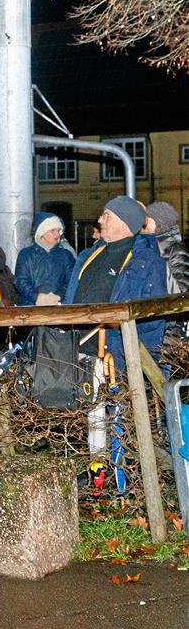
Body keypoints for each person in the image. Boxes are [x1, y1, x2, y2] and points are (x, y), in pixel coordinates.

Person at [63, 196, 167, 459]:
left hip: (116, 353)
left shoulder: (146, 261)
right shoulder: (89, 254)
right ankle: (92, 467)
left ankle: (117, 473)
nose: (100, 220)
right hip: (81, 349)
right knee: (85, 415)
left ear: (124, 222)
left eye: (106, 215)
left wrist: (142, 359)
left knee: (113, 418)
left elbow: (152, 318)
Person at [143, 201, 188, 350]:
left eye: (147, 221)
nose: (143, 226)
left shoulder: (175, 250)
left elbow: (182, 290)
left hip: (170, 330)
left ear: (158, 222)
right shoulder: (152, 248)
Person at [14, 212, 75, 306]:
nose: (57, 234)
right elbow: (21, 281)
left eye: (59, 230)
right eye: (52, 230)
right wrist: (36, 298)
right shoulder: (26, 254)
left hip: (59, 307)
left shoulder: (66, 255)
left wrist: (58, 296)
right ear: (41, 232)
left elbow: (71, 280)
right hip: (30, 307)